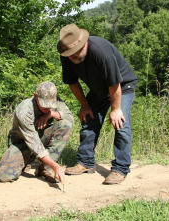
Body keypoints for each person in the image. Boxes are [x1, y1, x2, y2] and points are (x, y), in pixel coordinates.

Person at [57, 24, 138, 185]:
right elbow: (72, 82)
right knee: (89, 119)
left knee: (120, 123)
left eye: (75, 52)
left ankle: (120, 169)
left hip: (122, 85)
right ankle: (86, 162)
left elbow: (114, 83)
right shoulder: (66, 54)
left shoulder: (101, 52)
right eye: (69, 54)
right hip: (99, 88)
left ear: (83, 44)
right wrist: (85, 105)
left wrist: (116, 109)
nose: (72, 57)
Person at [0, 81, 74, 183]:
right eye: (44, 106)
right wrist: (56, 167)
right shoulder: (24, 110)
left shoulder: (55, 100)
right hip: (22, 143)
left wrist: (51, 114)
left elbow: (70, 118)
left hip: (41, 137)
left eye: (50, 105)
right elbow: (34, 143)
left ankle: (45, 168)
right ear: (36, 97)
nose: (47, 108)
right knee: (5, 177)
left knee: (65, 124)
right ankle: (25, 160)